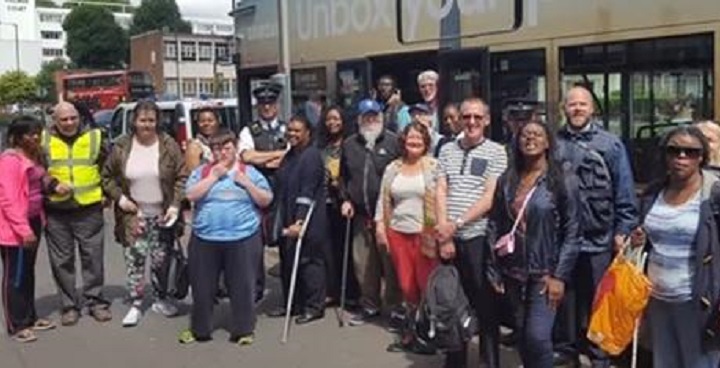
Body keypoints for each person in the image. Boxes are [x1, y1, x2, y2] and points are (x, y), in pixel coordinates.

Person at [553, 86, 638, 368]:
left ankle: (600, 355)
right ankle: (566, 351)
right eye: (572, 104)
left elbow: (624, 192)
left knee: (600, 301)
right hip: (563, 240)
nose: (577, 109)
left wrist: (622, 230)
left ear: (592, 109)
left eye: (582, 104)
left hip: (599, 239)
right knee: (565, 300)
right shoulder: (553, 143)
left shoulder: (610, 145)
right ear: (564, 108)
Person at [486, 120, 581, 368]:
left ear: (548, 142)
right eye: (525, 135)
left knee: (537, 337)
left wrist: (559, 276)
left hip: (544, 273)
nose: (530, 139)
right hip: (513, 272)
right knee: (522, 336)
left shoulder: (561, 179)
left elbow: (573, 231)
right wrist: (493, 267)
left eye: (537, 134)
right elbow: (495, 224)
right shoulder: (508, 179)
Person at [631, 126, 720, 368]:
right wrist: (638, 240)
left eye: (690, 152)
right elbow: (648, 239)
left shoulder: (713, 195)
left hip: (699, 303)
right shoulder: (653, 192)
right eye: (674, 151)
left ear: (702, 157)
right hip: (658, 300)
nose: (681, 157)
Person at [179, 130, 272, 345]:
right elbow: (191, 195)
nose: (221, 153)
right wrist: (213, 177)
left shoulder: (249, 172)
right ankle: (200, 329)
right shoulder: (202, 172)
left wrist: (247, 184)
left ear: (235, 149)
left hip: (243, 237)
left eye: (226, 148)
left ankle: (243, 329)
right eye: (217, 149)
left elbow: (266, 199)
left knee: (242, 286)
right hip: (205, 238)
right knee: (202, 288)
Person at [102, 101, 187, 327]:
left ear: (157, 121)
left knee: (161, 261)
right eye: (142, 120)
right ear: (134, 121)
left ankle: (161, 298)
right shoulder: (121, 146)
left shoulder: (169, 145)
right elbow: (107, 177)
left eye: (151, 120)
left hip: (162, 215)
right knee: (135, 261)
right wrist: (120, 199)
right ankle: (136, 303)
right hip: (133, 216)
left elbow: (181, 176)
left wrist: (175, 205)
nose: (147, 125)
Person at [436, 97, 507, 368]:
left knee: (485, 305)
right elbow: (441, 189)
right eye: (466, 117)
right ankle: (455, 361)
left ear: (487, 120)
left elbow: (490, 197)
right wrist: (445, 232)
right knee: (453, 302)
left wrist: (456, 223)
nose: (472, 122)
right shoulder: (446, 150)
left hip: (478, 237)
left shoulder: (496, 152)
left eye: (478, 117)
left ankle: (490, 362)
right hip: (449, 237)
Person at [43, 101, 112, 326]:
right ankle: (69, 305)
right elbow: (34, 170)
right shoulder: (43, 140)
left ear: (79, 117)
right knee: (62, 261)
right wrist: (51, 184)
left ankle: (96, 302)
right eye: (64, 119)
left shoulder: (95, 137)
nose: (70, 123)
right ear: (55, 121)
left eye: (73, 118)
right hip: (56, 210)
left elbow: (108, 167)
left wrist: (107, 194)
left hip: (89, 208)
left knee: (92, 258)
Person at [375, 122, 440, 353]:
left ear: (426, 143)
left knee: (426, 284)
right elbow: (382, 199)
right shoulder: (393, 168)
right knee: (406, 285)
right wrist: (380, 226)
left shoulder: (434, 166)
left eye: (419, 139)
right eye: (410, 138)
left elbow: (442, 199)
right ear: (403, 141)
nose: (414, 142)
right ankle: (410, 331)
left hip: (426, 234)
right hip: (398, 232)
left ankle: (429, 333)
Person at [340, 98, 402, 326]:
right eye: (366, 116)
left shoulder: (394, 142)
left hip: (388, 217)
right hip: (360, 215)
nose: (371, 120)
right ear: (359, 119)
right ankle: (370, 305)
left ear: (381, 117)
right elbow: (343, 178)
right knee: (364, 265)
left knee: (391, 265)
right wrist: (345, 199)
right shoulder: (349, 145)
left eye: (374, 116)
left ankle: (396, 307)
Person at [266, 116, 328, 324]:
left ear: (308, 133)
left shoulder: (311, 157)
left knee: (309, 262)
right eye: (290, 130)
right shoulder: (290, 155)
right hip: (287, 213)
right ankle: (292, 304)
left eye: (297, 131)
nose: (292, 134)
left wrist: (299, 221)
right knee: (288, 260)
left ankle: (314, 306)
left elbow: (307, 191)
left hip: (308, 216)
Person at [0, 116, 55, 343]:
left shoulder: (35, 156)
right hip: (14, 227)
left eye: (37, 133)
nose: (35, 138)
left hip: (33, 219)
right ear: (17, 137)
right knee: (15, 275)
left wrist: (54, 186)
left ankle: (30, 317)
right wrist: (23, 229)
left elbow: (40, 181)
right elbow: (7, 199)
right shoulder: (9, 161)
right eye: (30, 134)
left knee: (28, 272)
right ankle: (17, 324)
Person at [238, 82, 288, 302]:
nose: (267, 107)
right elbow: (247, 157)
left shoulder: (288, 128)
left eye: (270, 103)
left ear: (277, 104)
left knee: (286, 241)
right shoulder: (249, 131)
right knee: (255, 243)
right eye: (263, 103)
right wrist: (275, 156)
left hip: (283, 190)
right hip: (256, 192)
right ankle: (255, 291)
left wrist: (262, 157)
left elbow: (290, 157)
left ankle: (289, 293)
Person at [317, 106, 360, 305]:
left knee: (346, 249)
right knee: (327, 249)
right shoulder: (320, 145)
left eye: (336, 119)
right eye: (328, 119)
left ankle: (351, 293)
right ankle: (331, 290)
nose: (332, 123)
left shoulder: (351, 144)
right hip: (324, 202)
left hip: (343, 201)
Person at [185, 107, 221, 171]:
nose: (206, 124)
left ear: (218, 122)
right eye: (202, 121)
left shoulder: (224, 142)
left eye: (210, 121)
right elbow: (193, 174)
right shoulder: (194, 146)